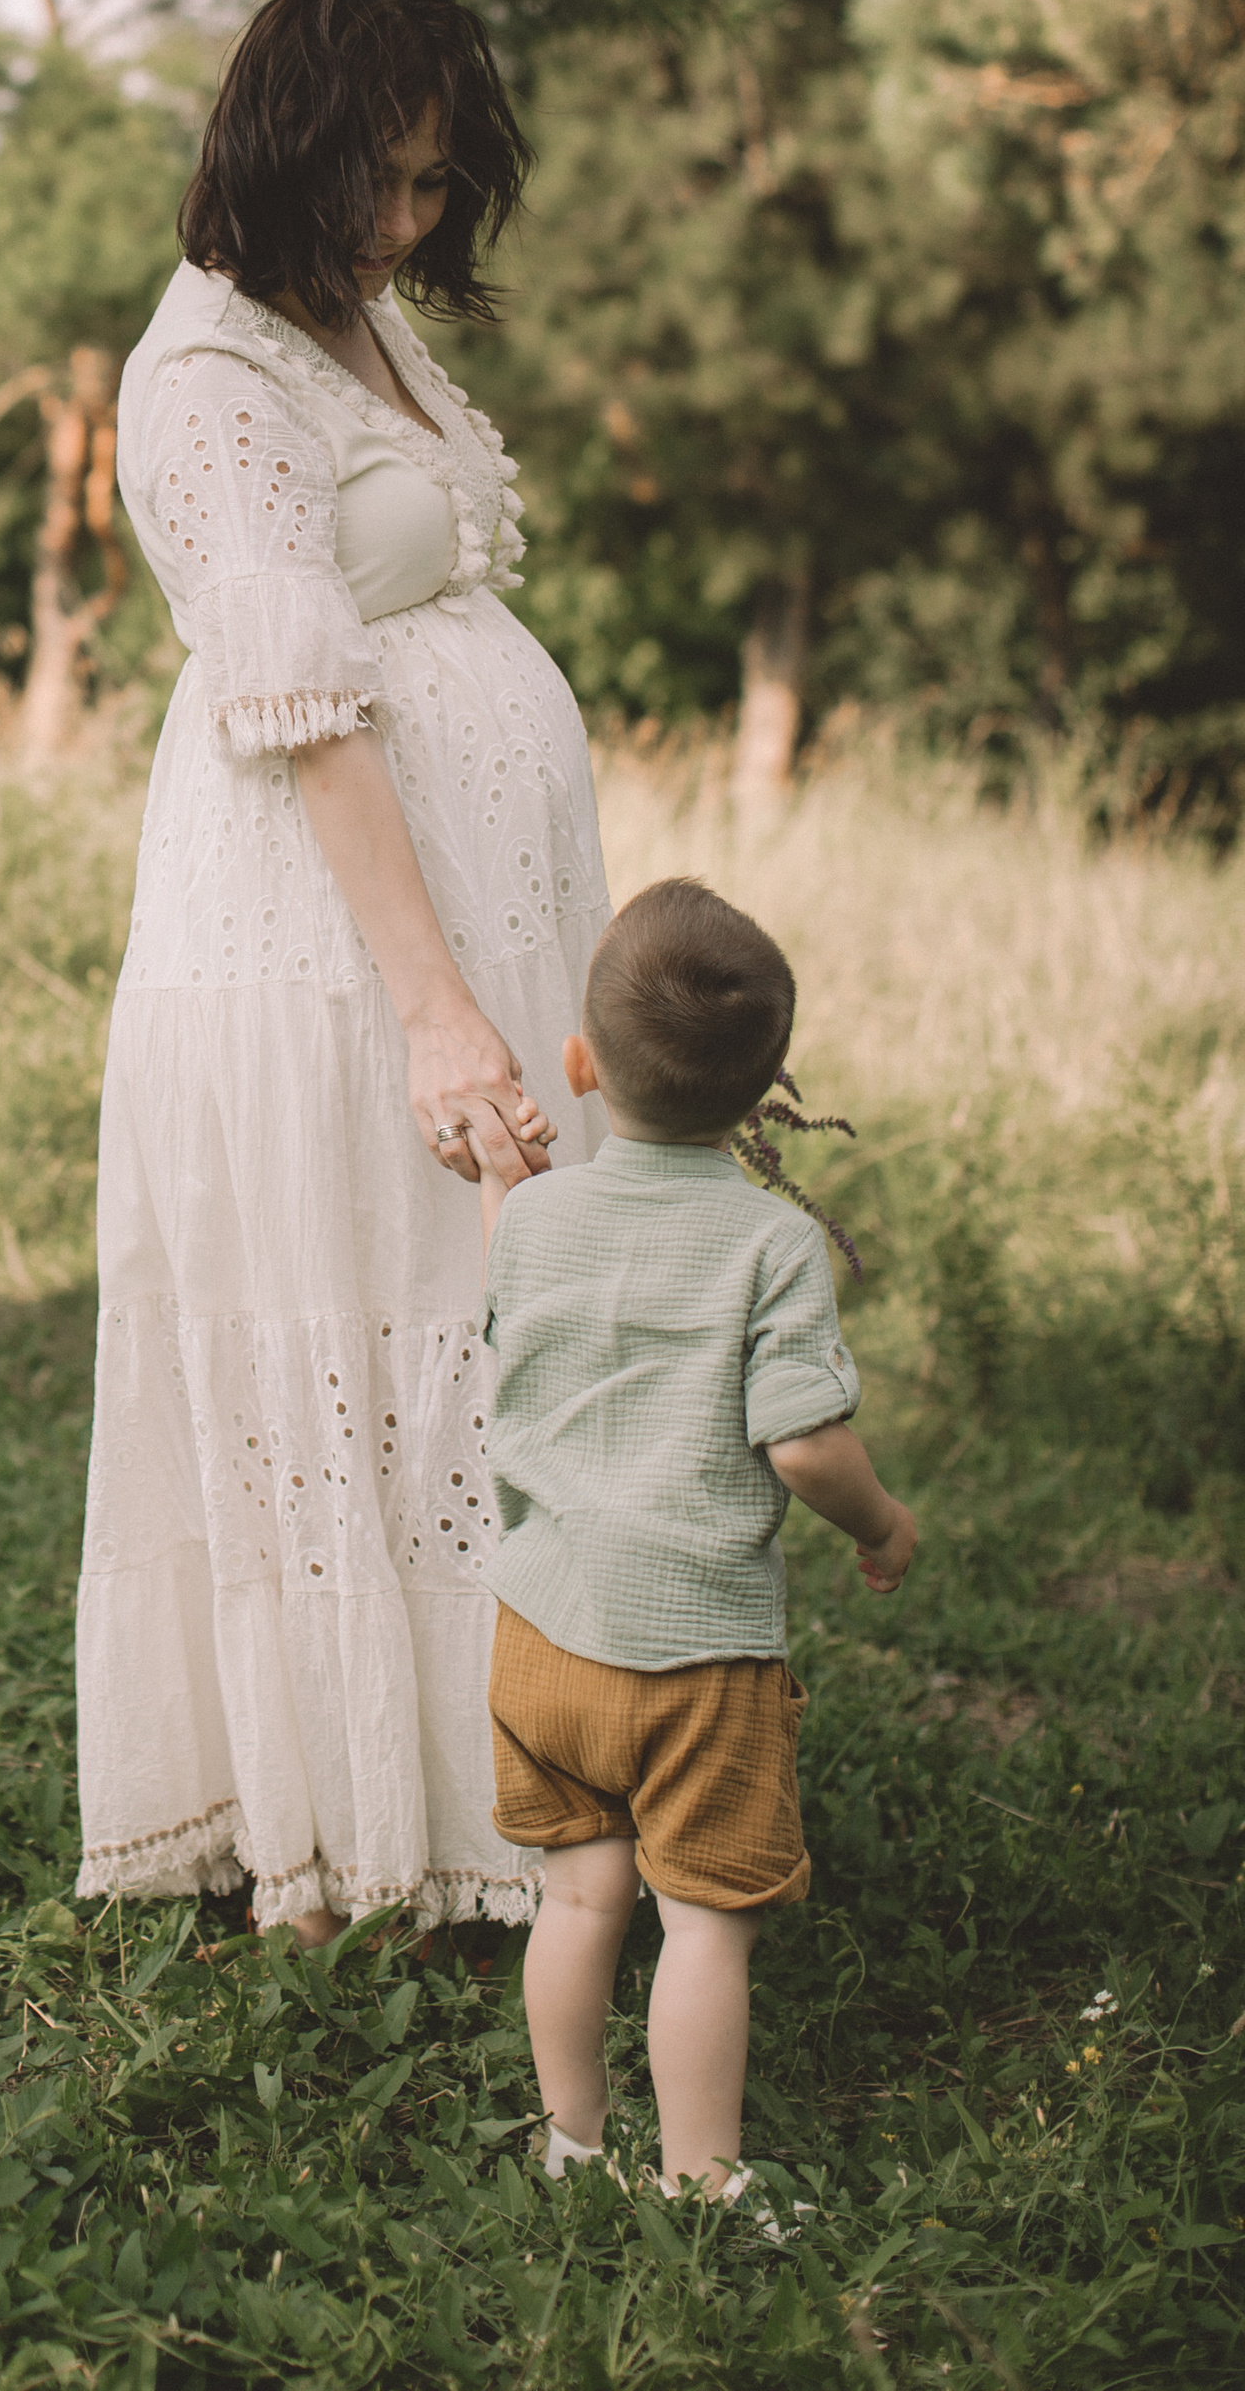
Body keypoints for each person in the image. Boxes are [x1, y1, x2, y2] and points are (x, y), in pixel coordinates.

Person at [74, 0, 615, 1948]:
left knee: (469, 1348)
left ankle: (494, 1799)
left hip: (457, 932)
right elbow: (297, 710)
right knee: (356, 1325)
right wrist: (436, 1015)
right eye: (380, 181)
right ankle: (347, 1838)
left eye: (433, 185)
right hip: (320, 952)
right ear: (284, 153)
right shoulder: (208, 380)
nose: (406, 223)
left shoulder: (361, 326)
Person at [477, 876, 919, 2203]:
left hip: (542, 1634)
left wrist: (506, 1183)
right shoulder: (774, 1242)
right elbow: (802, 1443)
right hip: (698, 1660)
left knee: (577, 1902)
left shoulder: (537, 1215)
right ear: (770, 1088)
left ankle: (570, 2141)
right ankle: (701, 2178)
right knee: (704, 1933)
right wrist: (882, 1521)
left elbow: (511, 1303)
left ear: (580, 1063)